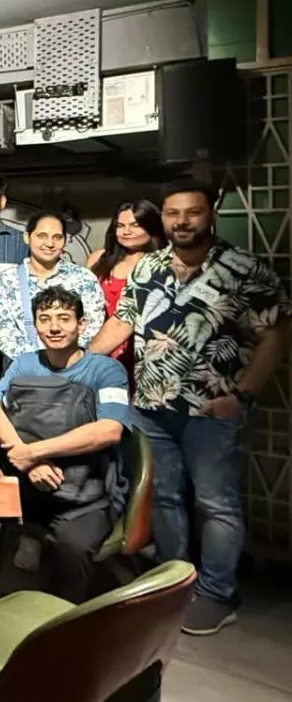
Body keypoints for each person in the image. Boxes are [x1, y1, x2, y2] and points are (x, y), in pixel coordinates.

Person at [90, 183, 291, 635]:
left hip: (211, 412)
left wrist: (240, 397)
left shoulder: (243, 268)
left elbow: (274, 336)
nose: (182, 221)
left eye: (192, 212)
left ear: (209, 215)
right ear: (162, 218)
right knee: (162, 497)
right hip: (151, 407)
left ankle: (218, 592)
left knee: (215, 504)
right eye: (172, 213)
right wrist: (78, 362)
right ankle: (171, 582)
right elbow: (122, 322)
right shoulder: (147, 267)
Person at [0, 286, 131, 604]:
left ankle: (66, 624)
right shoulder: (25, 363)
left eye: (64, 318)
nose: (54, 327)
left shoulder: (106, 370)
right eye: (45, 319)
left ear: (81, 324)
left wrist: (33, 452)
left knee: (73, 549)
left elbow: (109, 431)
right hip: (30, 481)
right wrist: (28, 462)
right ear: (35, 325)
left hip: (86, 495)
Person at [0, 211, 105, 364]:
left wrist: (64, 358)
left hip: (72, 367)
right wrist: (36, 364)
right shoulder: (8, 279)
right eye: (42, 236)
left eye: (57, 237)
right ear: (27, 238)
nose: (50, 244)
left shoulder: (83, 278)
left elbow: (92, 324)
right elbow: (3, 330)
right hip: (25, 370)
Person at [85, 200, 165, 364]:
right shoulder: (98, 259)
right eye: (120, 226)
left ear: (152, 227)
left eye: (135, 225)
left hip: (141, 352)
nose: (126, 231)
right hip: (96, 346)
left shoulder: (162, 265)